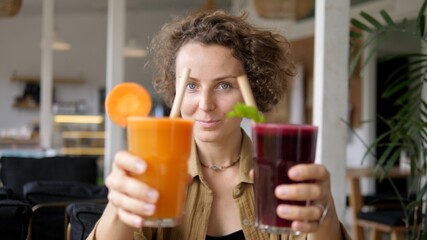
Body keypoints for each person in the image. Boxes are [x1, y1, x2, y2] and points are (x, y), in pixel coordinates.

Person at [88, 10, 351, 240]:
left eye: (223, 85)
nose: (205, 104)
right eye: (191, 86)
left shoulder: (278, 172)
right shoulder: (152, 173)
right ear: (175, 89)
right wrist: (118, 208)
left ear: (253, 90)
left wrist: (323, 213)